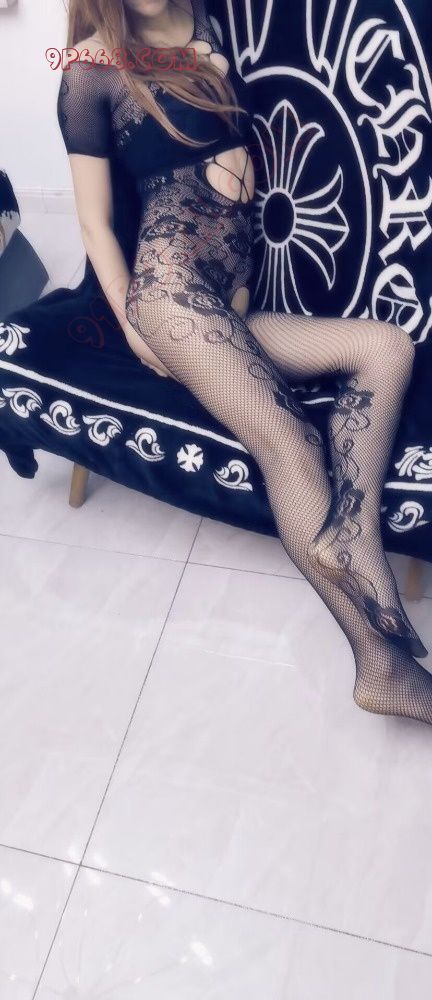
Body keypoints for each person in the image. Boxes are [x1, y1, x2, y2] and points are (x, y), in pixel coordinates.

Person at [57, 0, 432, 725]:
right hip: (169, 296)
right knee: (288, 442)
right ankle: (382, 668)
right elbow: (94, 224)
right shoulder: (89, 70)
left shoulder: (207, 23)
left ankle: (351, 536)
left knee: (386, 348)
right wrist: (132, 321)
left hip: (230, 302)